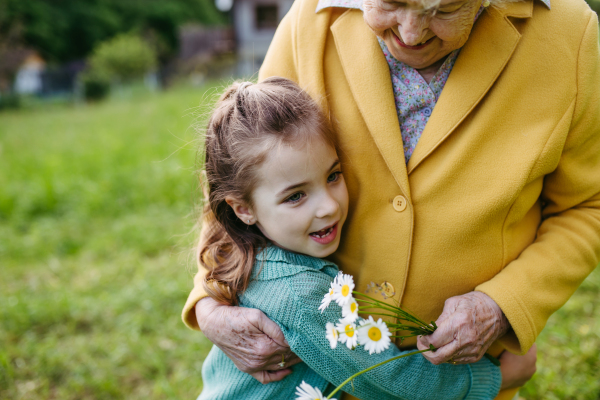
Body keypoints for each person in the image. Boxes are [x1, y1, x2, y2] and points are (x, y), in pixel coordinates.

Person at [183, 0, 600, 398]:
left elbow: (588, 206)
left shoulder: (570, 36)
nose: (410, 32)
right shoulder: (307, 19)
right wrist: (209, 302)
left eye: (445, 9)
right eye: (390, 3)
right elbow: (239, 168)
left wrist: (506, 305)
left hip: (459, 381)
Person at [194, 77, 534, 400]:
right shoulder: (298, 292)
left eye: (333, 175)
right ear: (243, 209)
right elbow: (387, 381)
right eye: (296, 196)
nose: (328, 206)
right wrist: (497, 377)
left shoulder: (258, 254)